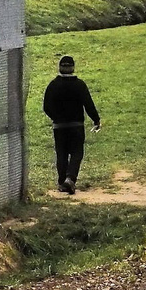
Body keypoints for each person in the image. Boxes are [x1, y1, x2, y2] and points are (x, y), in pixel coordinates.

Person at [42, 55, 101, 195]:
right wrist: (96, 119)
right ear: (73, 68)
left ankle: (62, 182)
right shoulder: (79, 85)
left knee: (61, 154)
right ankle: (70, 178)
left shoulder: (53, 85)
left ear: (59, 68)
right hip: (76, 125)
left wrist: (56, 118)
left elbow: (46, 106)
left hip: (59, 127)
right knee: (76, 152)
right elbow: (88, 104)